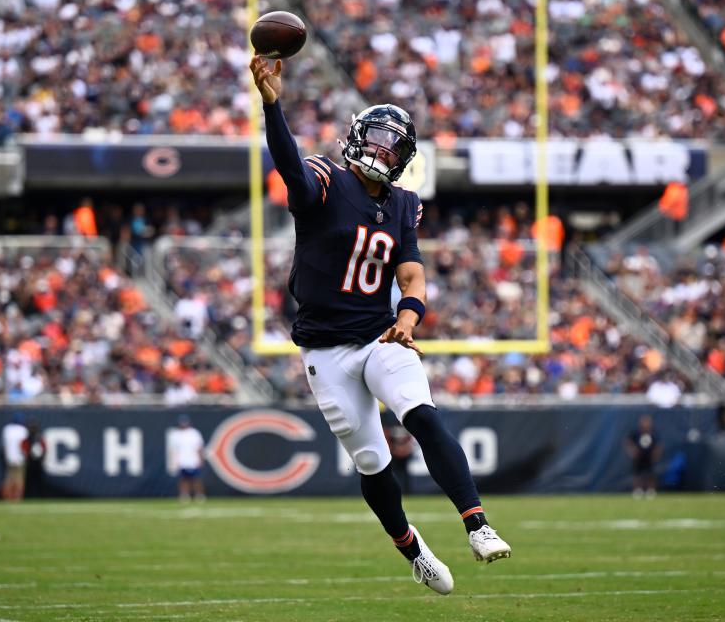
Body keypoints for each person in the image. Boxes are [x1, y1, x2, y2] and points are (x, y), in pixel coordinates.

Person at [250, 55, 510, 595]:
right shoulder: (325, 179)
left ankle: (477, 524)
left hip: (380, 335)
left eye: (392, 148)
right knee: (373, 462)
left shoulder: (403, 205)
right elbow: (290, 170)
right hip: (324, 351)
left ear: (403, 159)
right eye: (376, 140)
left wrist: (409, 318)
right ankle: (411, 548)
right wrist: (272, 104)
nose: (380, 152)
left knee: (421, 413)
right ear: (355, 138)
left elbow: (412, 275)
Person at [167, 414, 206, 503]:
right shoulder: (176, 434)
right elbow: (174, 450)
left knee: (196, 479)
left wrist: (201, 459)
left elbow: (199, 447)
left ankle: (199, 495)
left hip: (193, 459)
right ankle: (184, 495)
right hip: (182, 460)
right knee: (183, 479)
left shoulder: (194, 433)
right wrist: (175, 461)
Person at [625, 414, 662, 498]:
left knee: (651, 474)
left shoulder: (653, 433)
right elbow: (628, 442)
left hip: (649, 457)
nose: (646, 424)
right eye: (644, 422)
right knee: (637, 475)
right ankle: (638, 491)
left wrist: (656, 454)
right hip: (639, 457)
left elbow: (659, 445)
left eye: (647, 422)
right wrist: (632, 451)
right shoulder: (636, 433)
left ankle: (650, 491)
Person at [1, 411, 29, 501]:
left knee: (9, 478)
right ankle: (17, 497)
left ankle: (7, 497)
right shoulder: (23, 430)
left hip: (9, 457)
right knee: (19, 478)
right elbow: (24, 445)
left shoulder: (7, 429)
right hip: (20, 457)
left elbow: (4, 444)